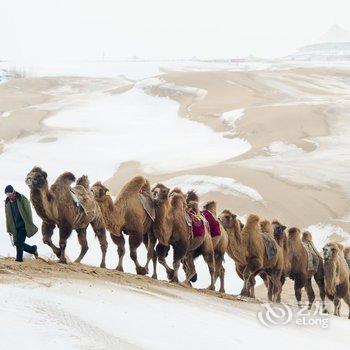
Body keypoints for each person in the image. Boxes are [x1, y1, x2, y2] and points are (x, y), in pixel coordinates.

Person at [4, 185, 38, 262]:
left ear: (13, 192)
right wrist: (9, 228)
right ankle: (33, 249)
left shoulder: (22, 199)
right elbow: (8, 217)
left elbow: (28, 212)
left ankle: (19, 260)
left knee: (19, 243)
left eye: (10, 194)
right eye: (7, 195)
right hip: (15, 226)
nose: (9, 196)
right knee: (17, 243)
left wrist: (29, 224)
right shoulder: (7, 203)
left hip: (23, 225)